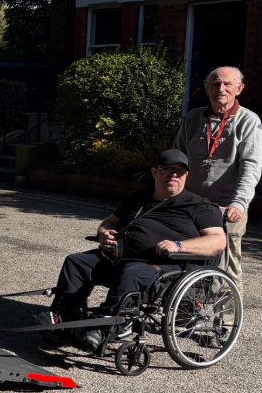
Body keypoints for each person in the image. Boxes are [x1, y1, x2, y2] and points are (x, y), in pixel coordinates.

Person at [46, 149, 226, 352]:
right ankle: (63, 318)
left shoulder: (199, 206)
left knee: (132, 272)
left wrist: (179, 246)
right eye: (167, 169)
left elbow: (218, 241)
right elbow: (109, 222)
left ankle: (105, 328)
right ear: (154, 172)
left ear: (186, 175)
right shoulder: (139, 199)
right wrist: (103, 233)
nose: (173, 174)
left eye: (179, 171)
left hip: (167, 268)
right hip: (122, 259)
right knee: (77, 262)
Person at [172, 66, 262, 288]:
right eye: (215, 84)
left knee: (227, 265)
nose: (221, 89)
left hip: (226, 206)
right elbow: (178, 157)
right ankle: (192, 305)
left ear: (239, 89)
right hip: (191, 203)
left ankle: (228, 310)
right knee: (186, 257)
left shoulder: (248, 121)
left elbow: (251, 166)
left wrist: (239, 203)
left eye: (227, 84)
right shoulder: (193, 117)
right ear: (206, 88)